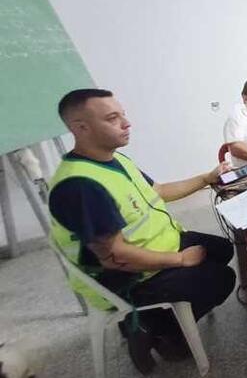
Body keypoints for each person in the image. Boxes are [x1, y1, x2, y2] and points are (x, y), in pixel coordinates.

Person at [48, 89, 236, 373]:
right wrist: (181, 260)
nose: (127, 123)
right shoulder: (80, 186)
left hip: (156, 246)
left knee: (223, 248)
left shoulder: (114, 159)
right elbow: (115, 256)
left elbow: (158, 191)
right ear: (81, 128)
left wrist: (205, 178)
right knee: (222, 278)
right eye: (113, 118)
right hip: (125, 277)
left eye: (123, 114)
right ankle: (157, 330)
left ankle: (158, 321)